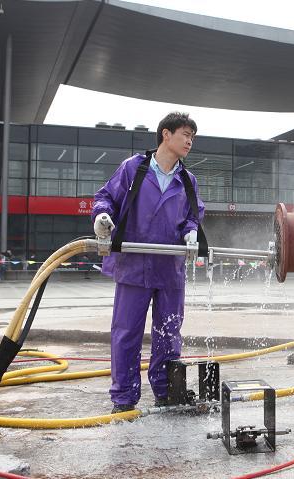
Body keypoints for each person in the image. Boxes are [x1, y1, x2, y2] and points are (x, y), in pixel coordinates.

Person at [92, 112, 204, 414]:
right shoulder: (134, 168)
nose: (190, 141)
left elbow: (192, 215)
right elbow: (105, 197)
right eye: (185, 134)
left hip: (170, 269)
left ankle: (166, 392)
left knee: (169, 332)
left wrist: (191, 231)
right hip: (134, 264)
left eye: (192, 137)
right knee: (126, 333)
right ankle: (124, 398)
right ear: (166, 134)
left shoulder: (187, 180)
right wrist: (102, 216)